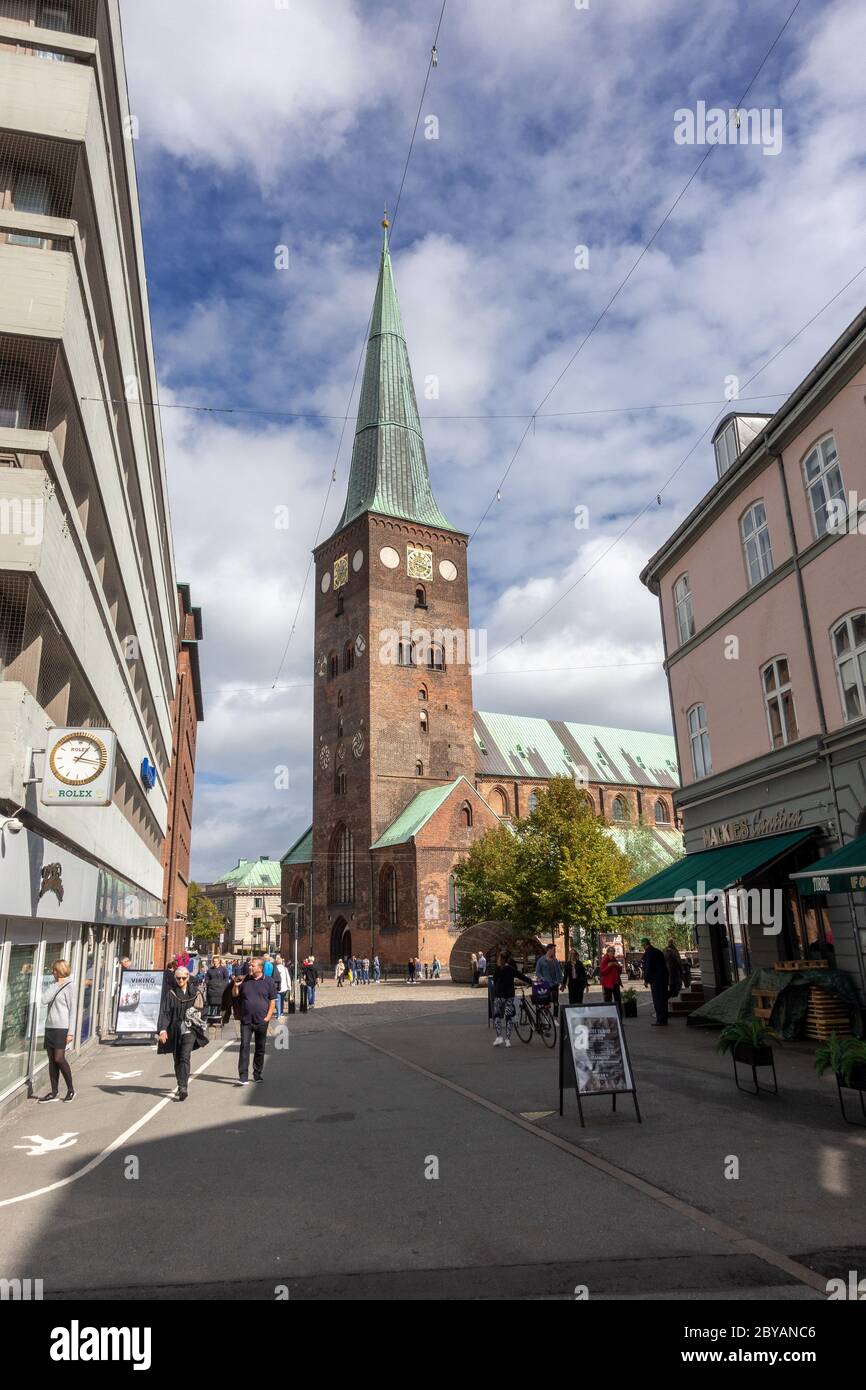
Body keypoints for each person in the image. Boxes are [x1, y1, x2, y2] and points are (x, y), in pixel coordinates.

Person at [158, 966, 208, 1100]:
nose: (181, 980)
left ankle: (183, 1086)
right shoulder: (171, 994)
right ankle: (180, 1082)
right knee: (177, 1058)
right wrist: (162, 1030)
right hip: (174, 1030)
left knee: (184, 1056)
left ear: (188, 978)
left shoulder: (195, 993)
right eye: (178, 978)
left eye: (183, 978)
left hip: (189, 1029)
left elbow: (204, 1009)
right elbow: (165, 1013)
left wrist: (199, 1017)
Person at [232, 957, 276, 1085]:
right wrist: (235, 986)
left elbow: (272, 1001)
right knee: (244, 1047)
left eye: (253, 966)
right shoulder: (245, 979)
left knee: (260, 1048)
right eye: (250, 965)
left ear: (260, 968)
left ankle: (257, 1074)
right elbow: (235, 995)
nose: (250, 967)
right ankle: (243, 1076)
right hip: (246, 1020)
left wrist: (268, 1017)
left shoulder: (269, 981)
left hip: (261, 1020)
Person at [39, 960, 77, 1103]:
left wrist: (71, 1032)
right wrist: (56, 985)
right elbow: (44, 1000)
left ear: (60, 971)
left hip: (62, 1028)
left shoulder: (70, 987)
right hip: (50, 1027)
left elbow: (73, 1011)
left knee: (59, 1058)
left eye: (55, 970)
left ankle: (71, 1090)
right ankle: (54, 1091)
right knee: (51, 1060)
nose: (52, 973)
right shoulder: (54, 985)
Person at [491, 949, 533, 1047]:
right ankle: (508, 1040)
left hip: (499, 996)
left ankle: (499, 1037)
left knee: (497, 1015)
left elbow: (494, 979)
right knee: (508, 1016)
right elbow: (521, 976)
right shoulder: (510, 968)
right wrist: (531, 982)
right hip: (509, 995)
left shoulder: (497, 969)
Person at [641, 937, 669, 1026]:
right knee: (663, 999)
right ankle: (664, 1019)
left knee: (657, 999)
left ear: (645, 945)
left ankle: (660, 1020)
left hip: (656, 980)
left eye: (642, 945)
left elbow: (649, 967)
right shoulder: (657, 951)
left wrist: (646, 980)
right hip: (663, 979)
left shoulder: (649, 953)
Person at [535, 944, 563, 1014]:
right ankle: (546, 1017)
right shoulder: (541, 960)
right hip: (546, 984)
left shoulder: (555, 960)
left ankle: (555, 1017)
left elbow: (559, 971)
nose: (554, 952)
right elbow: (538, 972)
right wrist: (542, 978)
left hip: (555, 984)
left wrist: (561, 982)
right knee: (546, 1002)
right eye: (554, 950)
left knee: (556, 1002)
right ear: (549, 950)